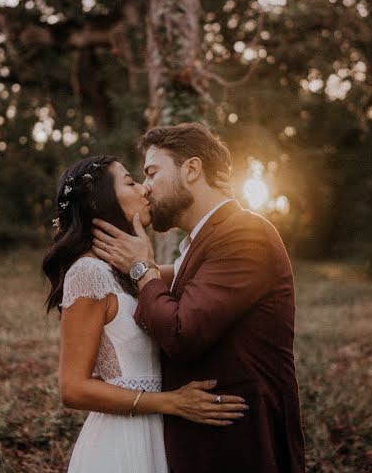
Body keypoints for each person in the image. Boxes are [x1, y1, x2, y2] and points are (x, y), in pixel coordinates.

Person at [92, 123, 306, 473]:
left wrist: (141, 267)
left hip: (242, 444)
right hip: (202, 443)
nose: (145, 187)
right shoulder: (201, 242)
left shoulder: (245, 233)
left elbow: (181, 332)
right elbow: (176, 286)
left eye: (152, 172)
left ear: (191, 169)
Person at [43, 154, 249, 473]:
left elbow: (192, 272)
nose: (145, 189)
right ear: (100, 204)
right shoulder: (87, 274)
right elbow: (72, 387)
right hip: (120, 444)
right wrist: (172, 402)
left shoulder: (132, 272)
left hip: (159, 435)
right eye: (131, 182)